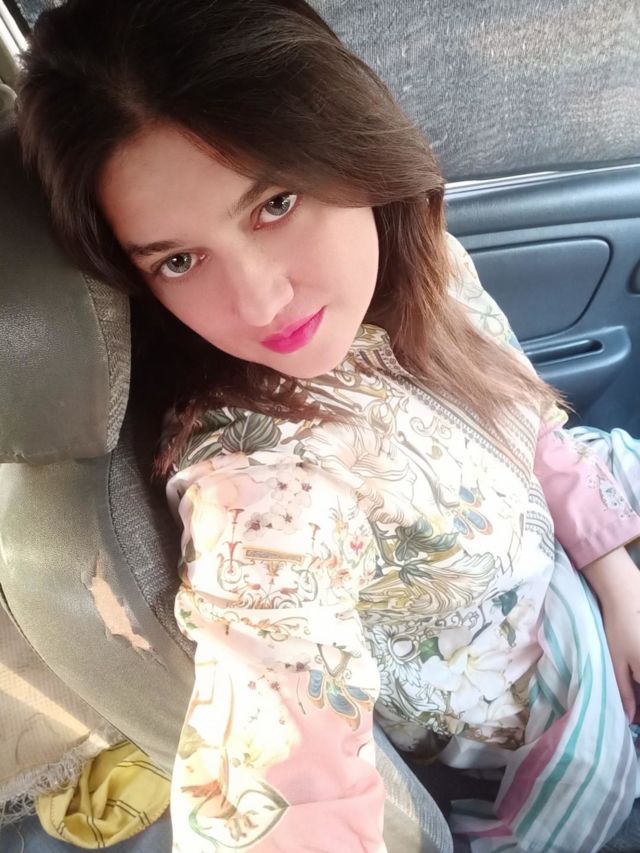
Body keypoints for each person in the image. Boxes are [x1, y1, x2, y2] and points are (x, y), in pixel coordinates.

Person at [14, 0, 640, 849]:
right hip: (552, 718)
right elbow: (271, 730)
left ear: (348, 146)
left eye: (275, 203)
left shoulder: (422, 265)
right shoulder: (255, 474)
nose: (262, 302)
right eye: (179, 260)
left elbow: (518, 411)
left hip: (584, 548)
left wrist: (612, 571)